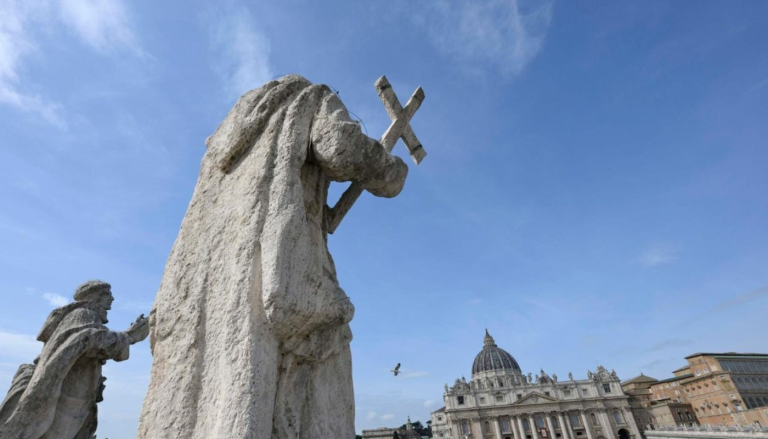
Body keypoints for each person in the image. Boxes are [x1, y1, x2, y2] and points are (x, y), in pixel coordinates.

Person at [138, 75, 408, 439]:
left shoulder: (228, 133)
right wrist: (392, 171)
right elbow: (340, 147)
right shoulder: (312, 98)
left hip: (207, 276)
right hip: (273, 263)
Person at [0, 280, 149, 439]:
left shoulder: (86, 316)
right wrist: (130, 336)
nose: (112, 298)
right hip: (65, 402)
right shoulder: (83, 313)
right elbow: (88, 339)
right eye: (106, 294)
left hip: (73, 401)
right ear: (93, 296)